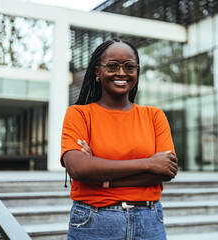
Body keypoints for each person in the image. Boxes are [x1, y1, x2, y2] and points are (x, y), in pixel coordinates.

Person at [60, 37, 178, 240]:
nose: (122, 73)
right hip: (94, 222)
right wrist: (149, 163)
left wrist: (101, 177)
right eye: (113, 66)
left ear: (137, 71)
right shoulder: (79, 114)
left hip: (149, 222)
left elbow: (165, 170)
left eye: (129, 66)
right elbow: (78, 168)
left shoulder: (154, 115)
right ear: (97, 72)